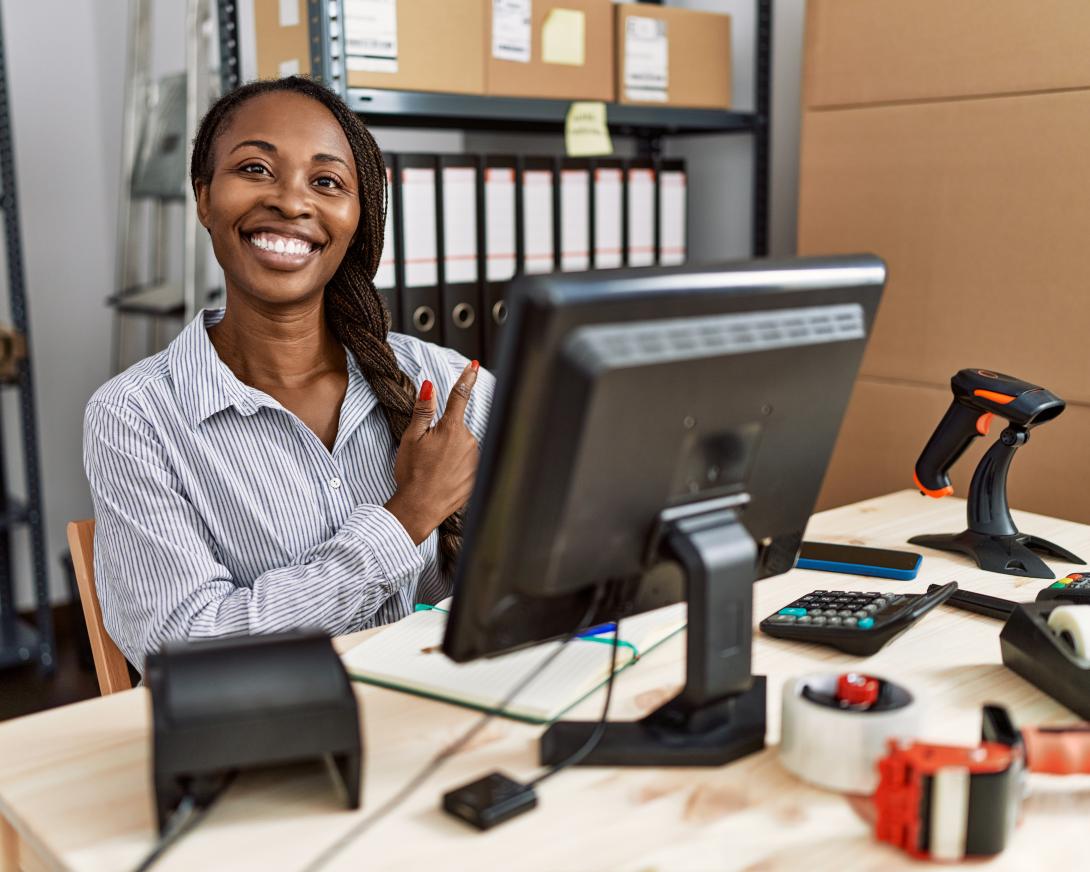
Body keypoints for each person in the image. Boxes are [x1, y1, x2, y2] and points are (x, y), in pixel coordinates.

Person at [83, 77, 494, 671]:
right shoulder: (136, 417)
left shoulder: (439, 379)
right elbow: (183, 650)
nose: (292, 202)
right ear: (203, 198)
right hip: (271, 745)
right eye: (255, 169)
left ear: (357, 218)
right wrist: (406, 518)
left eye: (326, 182)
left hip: (442, 728)